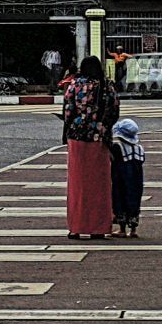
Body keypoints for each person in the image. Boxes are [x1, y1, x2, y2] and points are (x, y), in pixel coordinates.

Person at [62, 55, 119, 239]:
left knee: (78, 184)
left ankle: (76, 227)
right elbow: (114, 111)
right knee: (99, 184)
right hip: (99, 138)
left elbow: (68, 110)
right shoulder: (106, 86)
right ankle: (99, 228)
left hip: (77, 138)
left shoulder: (75, 85)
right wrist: (102, 127)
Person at [110, 117, 146, 237]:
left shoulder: (117, 147)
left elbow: (112, 160)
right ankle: (133, 229)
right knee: (134, 202)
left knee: (120, 200)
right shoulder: (139, 148)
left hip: (120, 179)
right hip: (137, 180)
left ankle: (122, 229)